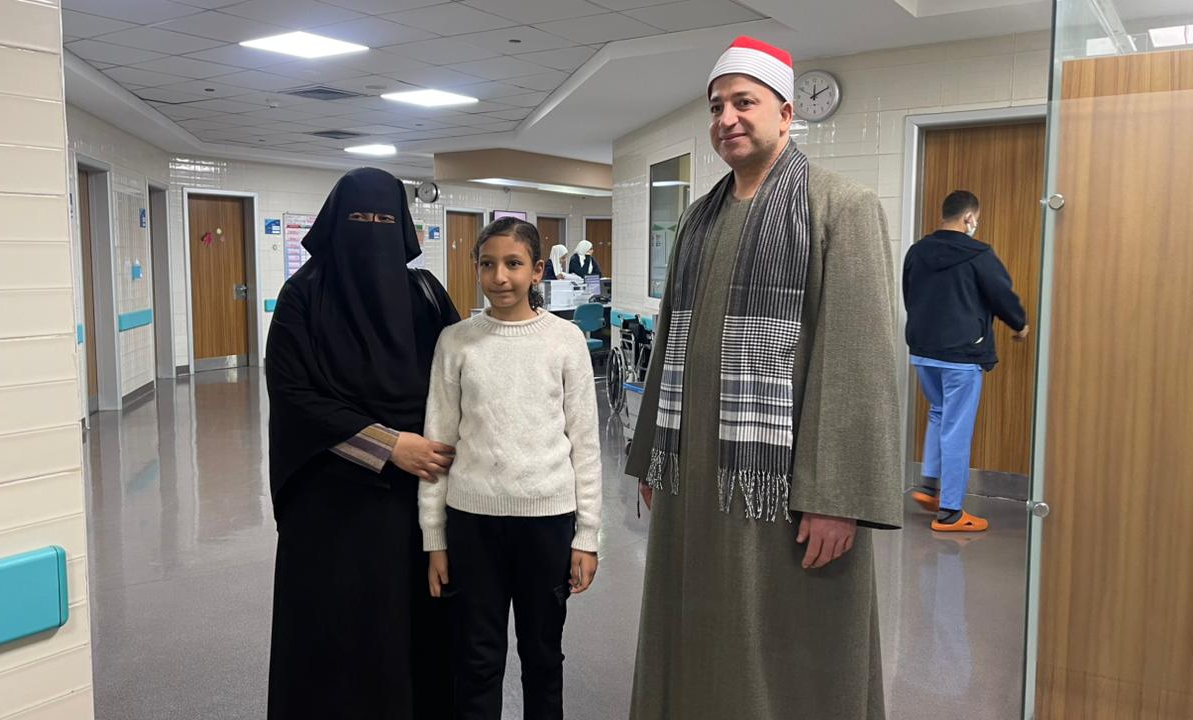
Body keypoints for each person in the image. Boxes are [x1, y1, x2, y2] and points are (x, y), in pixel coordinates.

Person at [626, 36, 902, 720]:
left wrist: (836, 496)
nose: (727, 118)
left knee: (787, 637)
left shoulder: (840, 206)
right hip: (695, 477)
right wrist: (653, 456)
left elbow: (858, 362)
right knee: (698, 626)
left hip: (785, 489)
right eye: (716, 106)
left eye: (744, 102)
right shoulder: (699, 218)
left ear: (785, 112)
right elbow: (670, 344)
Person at [265, 167, 460, 719]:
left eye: (383, 219)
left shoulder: (425, 294)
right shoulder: (303, 296)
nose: (371, 229)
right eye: (358, 218)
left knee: (415, 633)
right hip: (331, 506)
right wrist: (390, 446)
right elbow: (295, 396)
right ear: (335, 222)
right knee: (338, 636)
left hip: (416, 503)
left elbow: (459, 377)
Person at [419, 217, 602, 720]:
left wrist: (587, 536)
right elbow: (438, 445)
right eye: (487, 264)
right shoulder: (455, 342)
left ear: (537, 270)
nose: (499, 277)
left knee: (543, 657)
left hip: (547, 522)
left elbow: (585, 445)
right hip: (472, 524)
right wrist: (435, 538)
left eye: (513, 264)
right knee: (476, 660)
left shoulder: (565, 341)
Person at [902, 190, 1029, 532]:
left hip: (924, 352)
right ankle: (951, 513)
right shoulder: (978, 254)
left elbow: (909, 295)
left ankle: (929, 486)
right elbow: (1001, 295)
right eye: (977, 219)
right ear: (969, 218)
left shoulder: (917, 251)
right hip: (961, 354)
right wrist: (1019, 324)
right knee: (957, 427)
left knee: (939, 412)